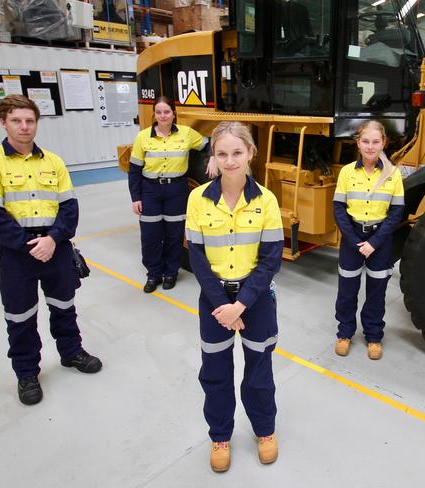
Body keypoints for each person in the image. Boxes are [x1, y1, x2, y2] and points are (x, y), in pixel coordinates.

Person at [0, 95, 102, 406]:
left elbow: (70, 207)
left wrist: (52, 240)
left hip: (57, 247)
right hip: (17, 254)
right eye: (17, 121)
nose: (24, 127)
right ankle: (26, 373)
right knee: (20, 315)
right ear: (3, 122)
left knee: (64, 305)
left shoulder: (54, 161)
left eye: (29, 121)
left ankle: (71, 352)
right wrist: (29, 246)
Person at [185, 121, 283, 472]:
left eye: (237, 152)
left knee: (259, 369)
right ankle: (220, 436)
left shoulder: (266, 200)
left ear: (250, 154)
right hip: (214, 302)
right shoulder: (197, 199)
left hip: (255, 301)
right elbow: (196, 257)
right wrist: (222, 306)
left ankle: (265, 430)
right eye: (222, 153)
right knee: (215, 371)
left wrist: (240, 305)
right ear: (213, 156)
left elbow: (271, 258)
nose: (230, 160)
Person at [332, 120, 405, 359]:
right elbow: (339, 209)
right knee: (347, 290)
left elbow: (396, 213)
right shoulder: (346, 173)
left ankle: (374, 337)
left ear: (383, 143)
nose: (370, 147)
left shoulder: (393, 175)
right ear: (358, 143)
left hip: (380, 240)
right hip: (352, 239)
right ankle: (344, 333)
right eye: (366, 141)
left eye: (375, 142)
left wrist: (374, 242)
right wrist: (355, 242)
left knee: (376, 292)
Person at [128, 96, 217, 293]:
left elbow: (210, 144)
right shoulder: (143, 137)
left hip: (176, 191)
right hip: (150, 191)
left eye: (166, 112)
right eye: (158, 112)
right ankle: (153, 275)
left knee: (174, 235)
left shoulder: (186, 134)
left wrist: (212, 159)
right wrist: (136, 197)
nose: (163, 116)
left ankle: (171, 273)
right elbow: (134, 171)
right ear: (154, 114)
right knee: (150, 236)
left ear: (173, 113)